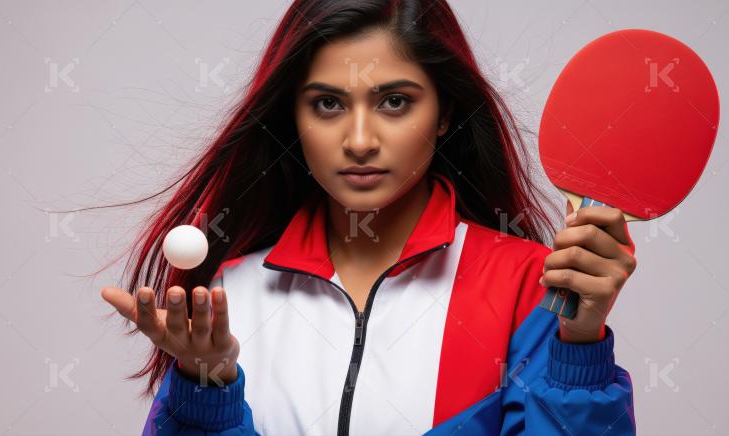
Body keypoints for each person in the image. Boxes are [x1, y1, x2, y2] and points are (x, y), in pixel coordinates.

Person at [101, 0, 637, 434]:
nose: (359, 141)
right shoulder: (229, 294)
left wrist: (580, 348)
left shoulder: (532, 284)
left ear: (445, 110)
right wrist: (207, 386)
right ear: (293, 117)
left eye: (395, 102)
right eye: (328, 105)